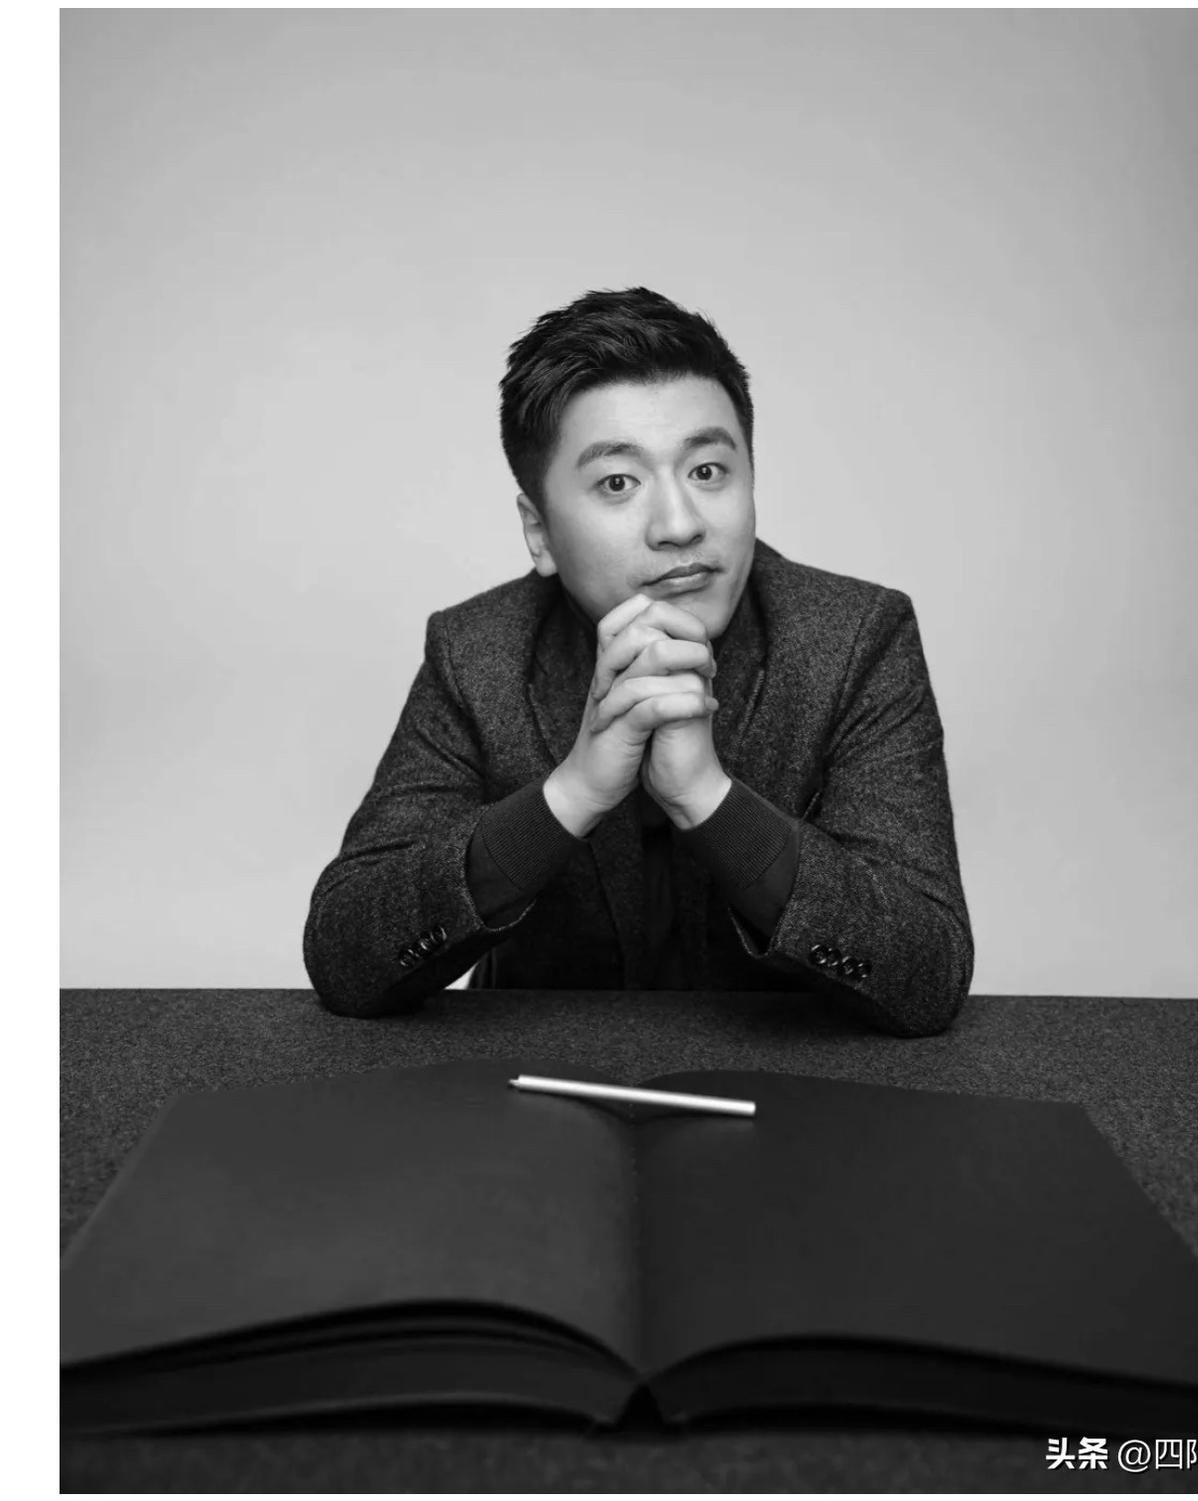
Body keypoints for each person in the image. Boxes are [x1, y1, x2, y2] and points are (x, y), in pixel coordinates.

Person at [304, 288, 973, 1035]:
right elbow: (346, 956)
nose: (680, 525)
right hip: (540, 1079)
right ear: (540, 533)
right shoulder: (478, 652)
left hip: (792, 1083)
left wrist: (709, 800)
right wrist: (571, 794)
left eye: (708, 471)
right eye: (618, 483)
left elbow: (927, 974)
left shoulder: (856, 639)